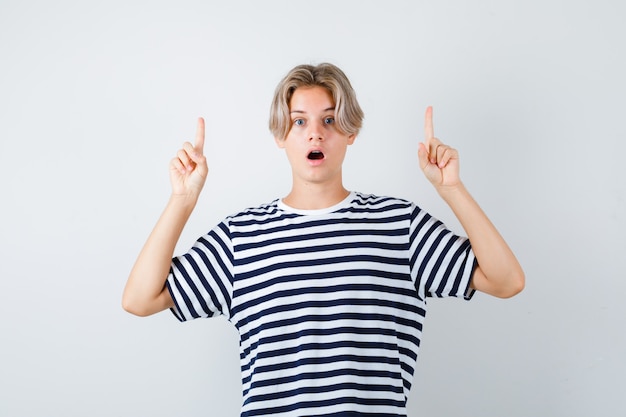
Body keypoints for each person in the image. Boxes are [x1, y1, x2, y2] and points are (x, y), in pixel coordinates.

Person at [122, 63, 524, 417]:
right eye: (299, 122)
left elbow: (506, 281)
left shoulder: (399, 226)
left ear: (351, 132)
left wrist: (451, 189)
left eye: (329, 121)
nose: (315, 134)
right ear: (281, 135)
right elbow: (140, 299)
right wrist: (182, 199)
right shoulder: (240, 238)